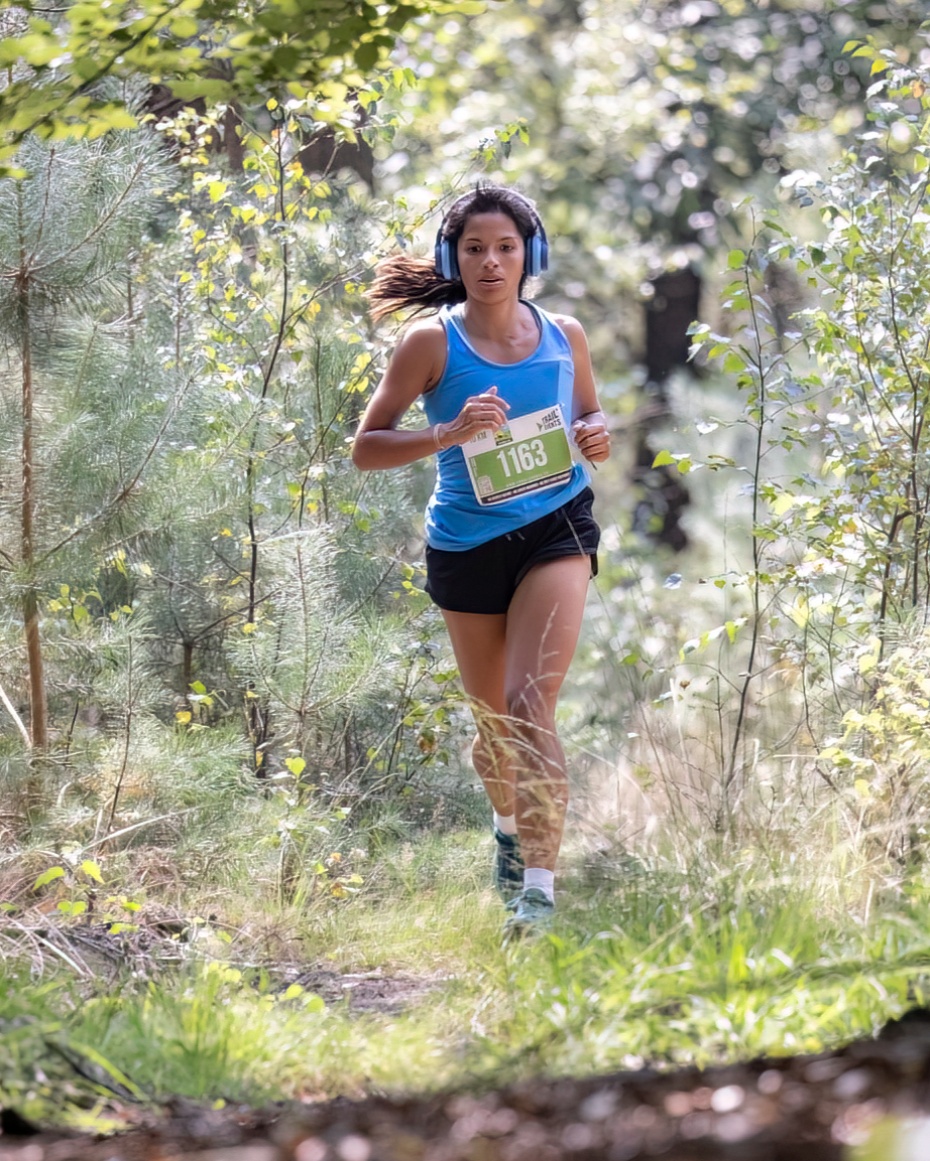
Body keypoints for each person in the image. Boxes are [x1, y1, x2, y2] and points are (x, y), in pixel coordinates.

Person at [352, 184, 610, 936]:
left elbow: (589, 412)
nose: (491, 262)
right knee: (496, 728)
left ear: (531, 255)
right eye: (474, 249)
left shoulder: (565, 335)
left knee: (530, 706)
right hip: (467, 545)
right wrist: (449, 432)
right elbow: (367, 447)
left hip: (557, 525)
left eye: (505, 247)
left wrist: (596, 432)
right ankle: (507, 828)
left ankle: (538, 895)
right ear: (452, 258)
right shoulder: (430, 344)